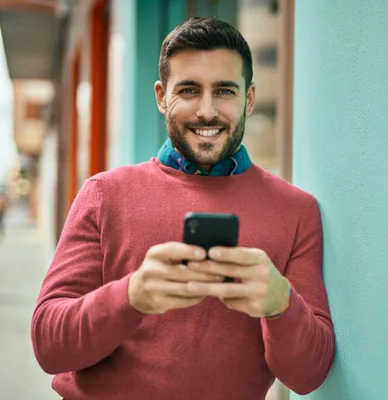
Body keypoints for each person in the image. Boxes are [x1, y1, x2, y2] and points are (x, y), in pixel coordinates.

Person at [31, 17, 335, 400]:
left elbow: (309, 376)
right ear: (161, 96)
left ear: (250, 99)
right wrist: (132, 296)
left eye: (225, 91)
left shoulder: (297, 211)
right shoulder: (103, 194)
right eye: (189, 90)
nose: (206, 111)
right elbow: (48, 345)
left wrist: (281, 305)